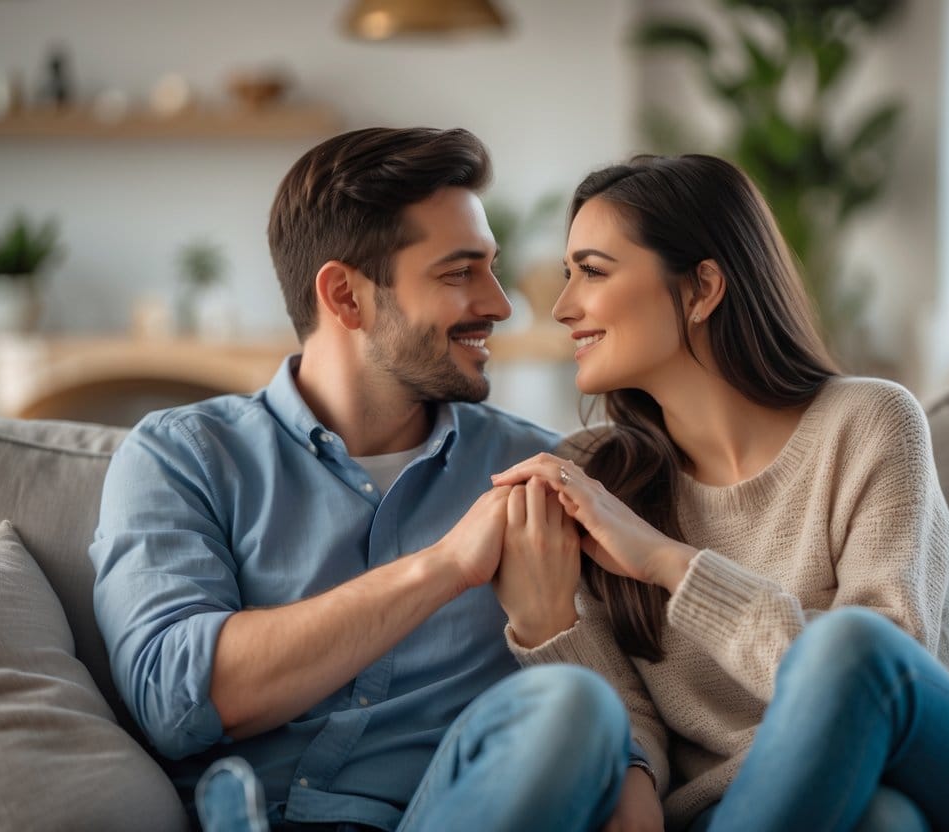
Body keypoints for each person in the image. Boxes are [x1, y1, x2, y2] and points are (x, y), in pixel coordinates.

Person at [489, 154, 949, 832]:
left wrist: (667, 563)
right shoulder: (592, 478)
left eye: (593, 271)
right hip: (755, 811)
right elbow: (626, 732)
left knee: (852, 650)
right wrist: (548, 624)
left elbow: (890, 671)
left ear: (700, 289)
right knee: (879, 822)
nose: (562, 307)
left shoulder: (868, 422)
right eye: (566, 275)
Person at [89, 127, 636, 832]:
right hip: (250, 813)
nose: (500, 304)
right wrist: (442, 567)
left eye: (491, 267)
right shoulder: (183, 456)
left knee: (571, 706)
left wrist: (636, 767)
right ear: (345, 296)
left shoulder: (544, 473)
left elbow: (621, 688)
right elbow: (175, 700)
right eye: (458, 272)